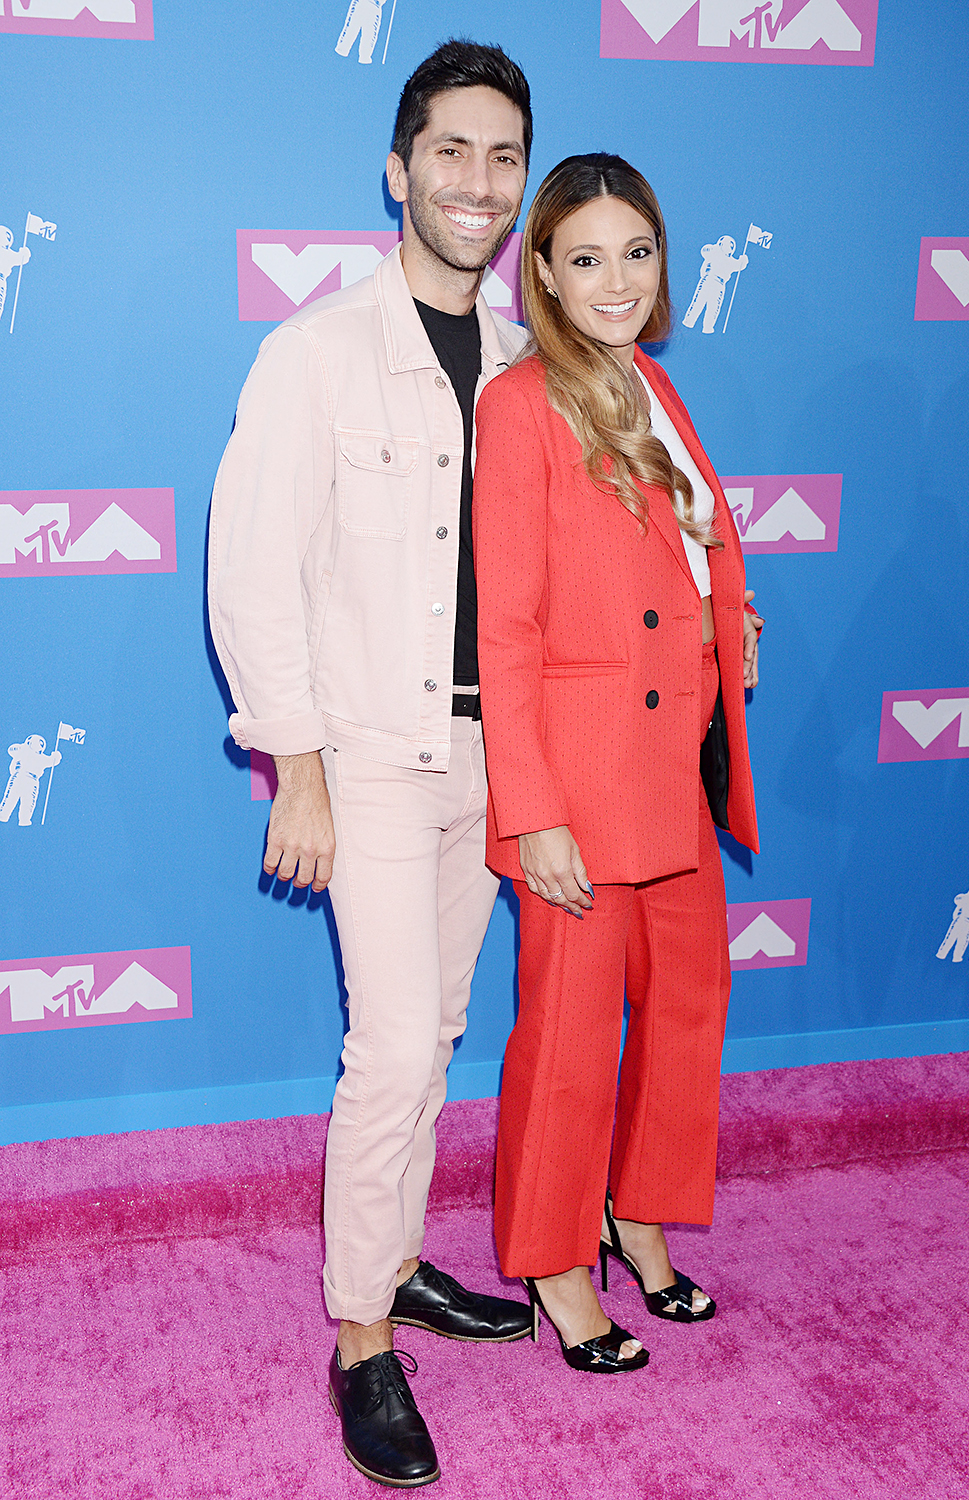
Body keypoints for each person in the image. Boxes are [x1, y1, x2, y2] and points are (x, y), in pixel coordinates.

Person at [208, 41, 535, 1488]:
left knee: (441, 1029)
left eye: (502, 159)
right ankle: (358, 1343)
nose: (478, 183)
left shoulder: (539, 357)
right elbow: (250, 571)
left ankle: (396, 1264)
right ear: (398, 171)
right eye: (451, 153)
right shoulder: (318, 351)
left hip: (499, 756)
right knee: (392, 1051)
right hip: (376, 756)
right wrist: (302, 768)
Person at [473, 154, 761, 1372]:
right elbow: (510, 629)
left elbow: (679, 558)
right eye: (583, 257)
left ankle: (632, 1213)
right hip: (581, 786)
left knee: (687, 1013)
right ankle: (551, 1259)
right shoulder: (522, 402)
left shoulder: (653, 385)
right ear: (539, 271)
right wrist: (533, 811)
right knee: (571, 1033)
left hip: (679, 766)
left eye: (634, 254)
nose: (613, 279)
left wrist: (724, 616)